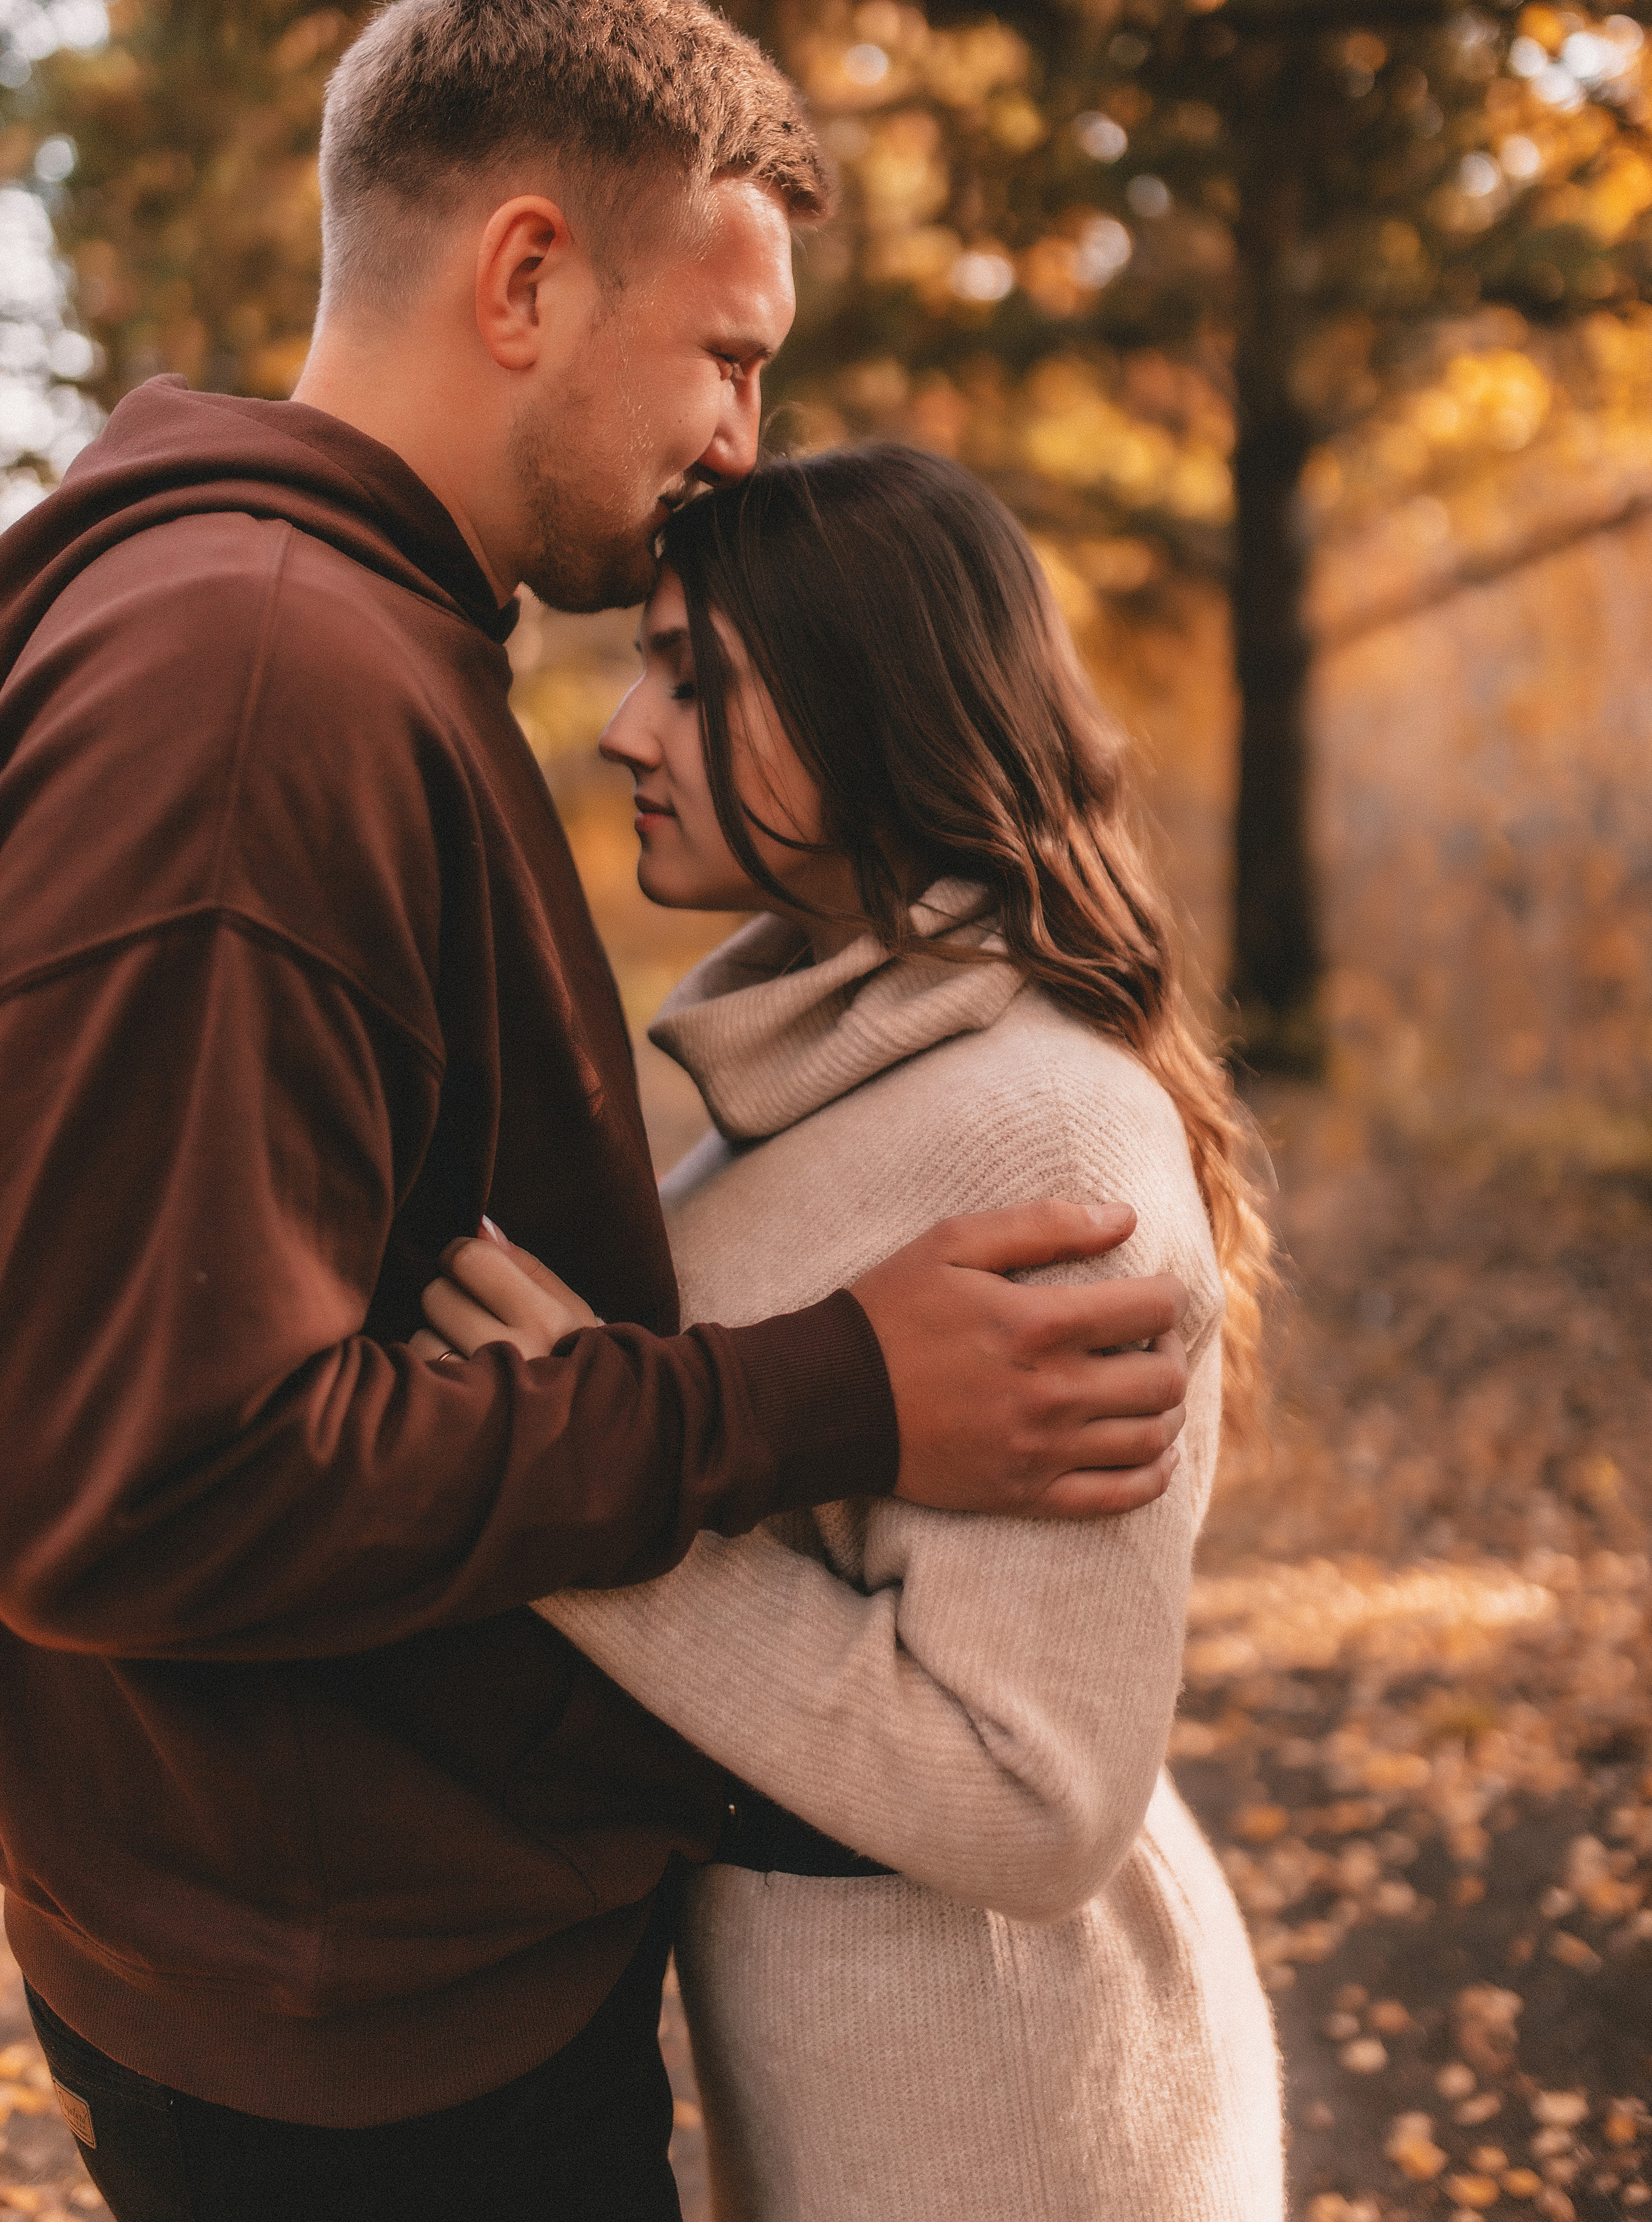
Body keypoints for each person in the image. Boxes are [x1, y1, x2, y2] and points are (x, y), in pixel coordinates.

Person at [0, 0, 1194, 2222]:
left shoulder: (293, 631)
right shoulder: (267, 686)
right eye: (731, 355)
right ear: (528, 274)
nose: (741, 440)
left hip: (322, 1937)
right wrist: (820, 1393)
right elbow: (141, 1487)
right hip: (357, 2051)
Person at [422, 445, 1285, 2219]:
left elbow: (1037, 1802)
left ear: (872, 705)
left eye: (698, 677)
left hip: (1017, 2114)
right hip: (862, 2077)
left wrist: (566, 1494)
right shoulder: (823, 1075)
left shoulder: (1042, 1132)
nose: (627, 728)